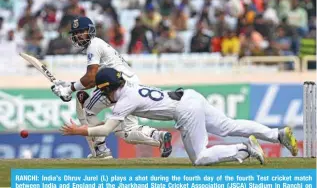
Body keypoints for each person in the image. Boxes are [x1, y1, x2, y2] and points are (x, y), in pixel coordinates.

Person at [60, 67, 299, 166]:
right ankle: (277, 134)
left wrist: (77, 131)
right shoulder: (129, 88)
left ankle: (245, 148)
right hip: (189, 96)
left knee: (200, 158)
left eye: (103, 91)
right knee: (228, 125)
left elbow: (105, 130)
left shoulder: (124, 100)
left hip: (185, 110)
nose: (103, 96)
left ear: (109, 88)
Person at [51, 16, 172, 159]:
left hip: (114, 85)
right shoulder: (97, 45)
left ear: (90, 31)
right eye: (76, 33)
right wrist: (69, 85)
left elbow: (90, 78)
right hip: (131, 85)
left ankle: (101, 149)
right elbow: (93, 79)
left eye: (81, 31)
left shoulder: (93, 45)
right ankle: (160, 136)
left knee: (87, 109)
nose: (78, 35)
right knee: (126, 133)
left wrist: (70, 89)